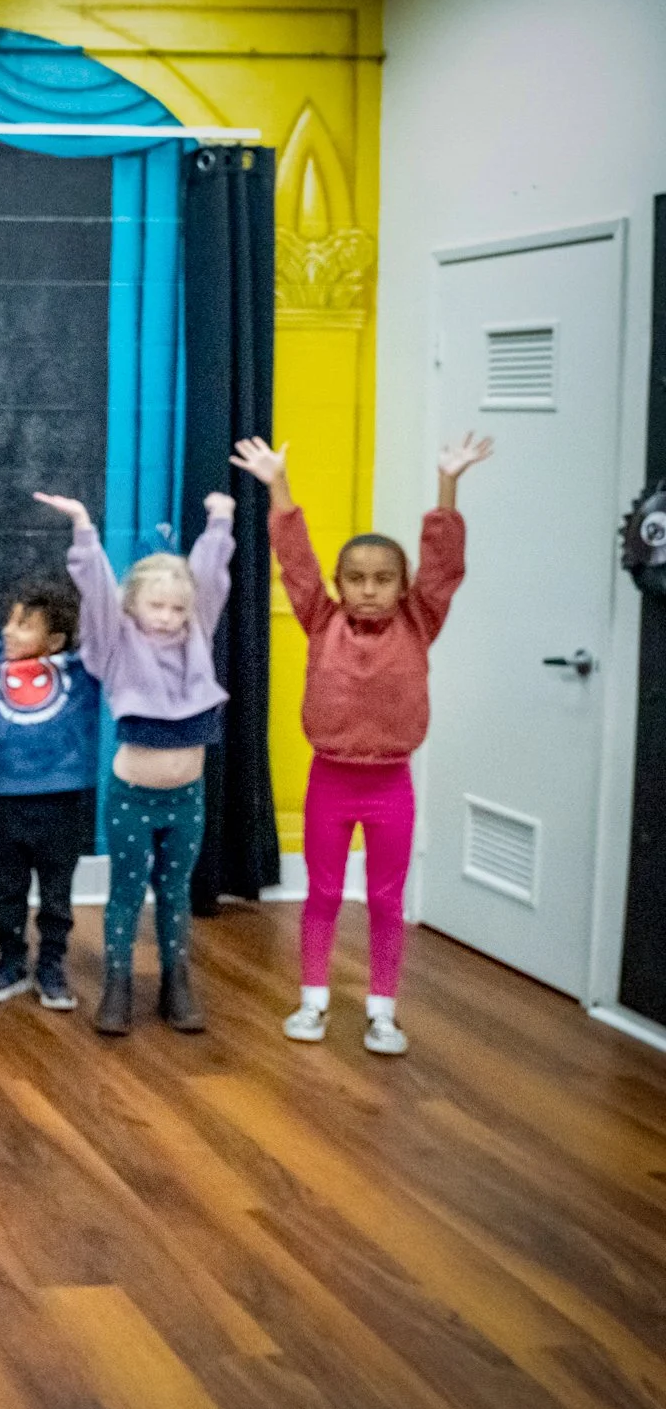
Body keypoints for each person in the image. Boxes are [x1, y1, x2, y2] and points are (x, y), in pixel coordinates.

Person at [241, 432, 487, 1056]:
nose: (370, 589)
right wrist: (278, 485)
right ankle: (313, 1001)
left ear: (403, 585)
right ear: (340, 583)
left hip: (390, 786)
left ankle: (383, 1011)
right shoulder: (321, 619)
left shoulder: (419, 620)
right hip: (330, 781)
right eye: (356, 579)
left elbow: (444, 566)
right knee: (322, 894)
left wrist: (448, 484)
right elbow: (294, 559)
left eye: (383, 579)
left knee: (384, 898)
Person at [49, 487, 237, 1037]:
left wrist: (220, 521)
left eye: (178, 607)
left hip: (187, 797)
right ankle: (117, 984)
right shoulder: (117, 643)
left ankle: (176, 982)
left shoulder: (196, 635)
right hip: (133, 796)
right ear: (133, 605)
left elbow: (209, 576)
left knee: (175, 891)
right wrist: (84, 527)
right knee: (127, 891)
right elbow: (98, 592)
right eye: (157, 605)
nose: (169, 616)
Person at [0, 572, 100, 1012]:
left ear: (56, 639)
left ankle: (52, 967)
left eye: (23, 624)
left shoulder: (81, 671)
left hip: (62, 802)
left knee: (56, 892)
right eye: (10, 621)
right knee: (6, 888)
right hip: (4, 799)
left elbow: (106, 622)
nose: (7, 630)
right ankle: (10, 963)